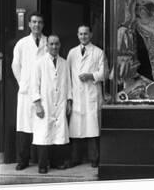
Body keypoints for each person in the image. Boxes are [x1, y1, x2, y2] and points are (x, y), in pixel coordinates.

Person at [30, 35, 72, 174]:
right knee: (44, 134)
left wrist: (69, 101)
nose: (54, 47)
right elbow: (34, 85)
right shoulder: (39, 63)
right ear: (47, 45)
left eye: (56, 44)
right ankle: (42, 165)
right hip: (45, 103)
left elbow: (69, 84)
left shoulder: (64, 63)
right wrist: (37, 105)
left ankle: (56, 162)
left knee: (58, 134)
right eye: (51, 44)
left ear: (60, 45)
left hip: (60, 103)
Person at [66, 25, 106, 168]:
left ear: (91, 34)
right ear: (78, 35)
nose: (83, 36)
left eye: (86, 34)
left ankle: (94, 158)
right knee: (76, 130)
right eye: (81, 34)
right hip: (77, 96)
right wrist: (69, 98)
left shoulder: (98, 52)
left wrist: (91, 75)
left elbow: (104, 73)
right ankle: (75, 158)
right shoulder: (72, 53)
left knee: (92, 129)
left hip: (91, 94)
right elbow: (67, 77)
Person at [11, 12, 47, 170]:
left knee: (42, 126)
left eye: (39, 22)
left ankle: (42, 162)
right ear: (29, 24)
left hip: (43, 90)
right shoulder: (22, 43)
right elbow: (15, 66)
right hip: (26, 92)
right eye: (34, 22)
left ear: (43, 25)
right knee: (25, 127)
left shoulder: (48, 42)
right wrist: (23, 83)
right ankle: (23, 160)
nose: (36, 25)